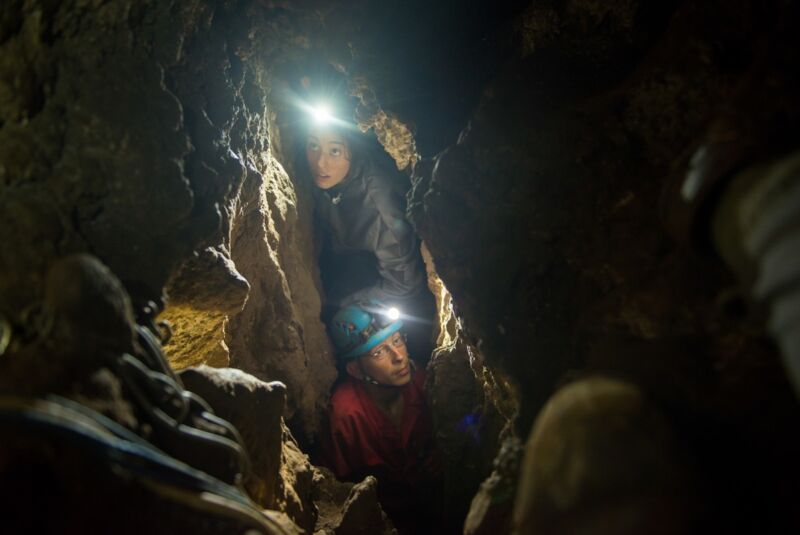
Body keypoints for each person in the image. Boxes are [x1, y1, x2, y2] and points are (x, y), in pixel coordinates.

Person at [300, 101, 436, 361]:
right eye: (313, 145)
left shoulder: (378, 208)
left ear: (351, 148)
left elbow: (406, 284)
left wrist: (346, 302)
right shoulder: (332, 175)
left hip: (394, 279)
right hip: (348, 250)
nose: (320, 162)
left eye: (335, 151)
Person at [319, 302, 442, 534]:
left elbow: (465, 423)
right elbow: (333, 490)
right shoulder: (345, 415)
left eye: (397, 340)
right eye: (378, 352)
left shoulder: (422, 381)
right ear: (356, 370)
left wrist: (443, 452)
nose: (399, 357)